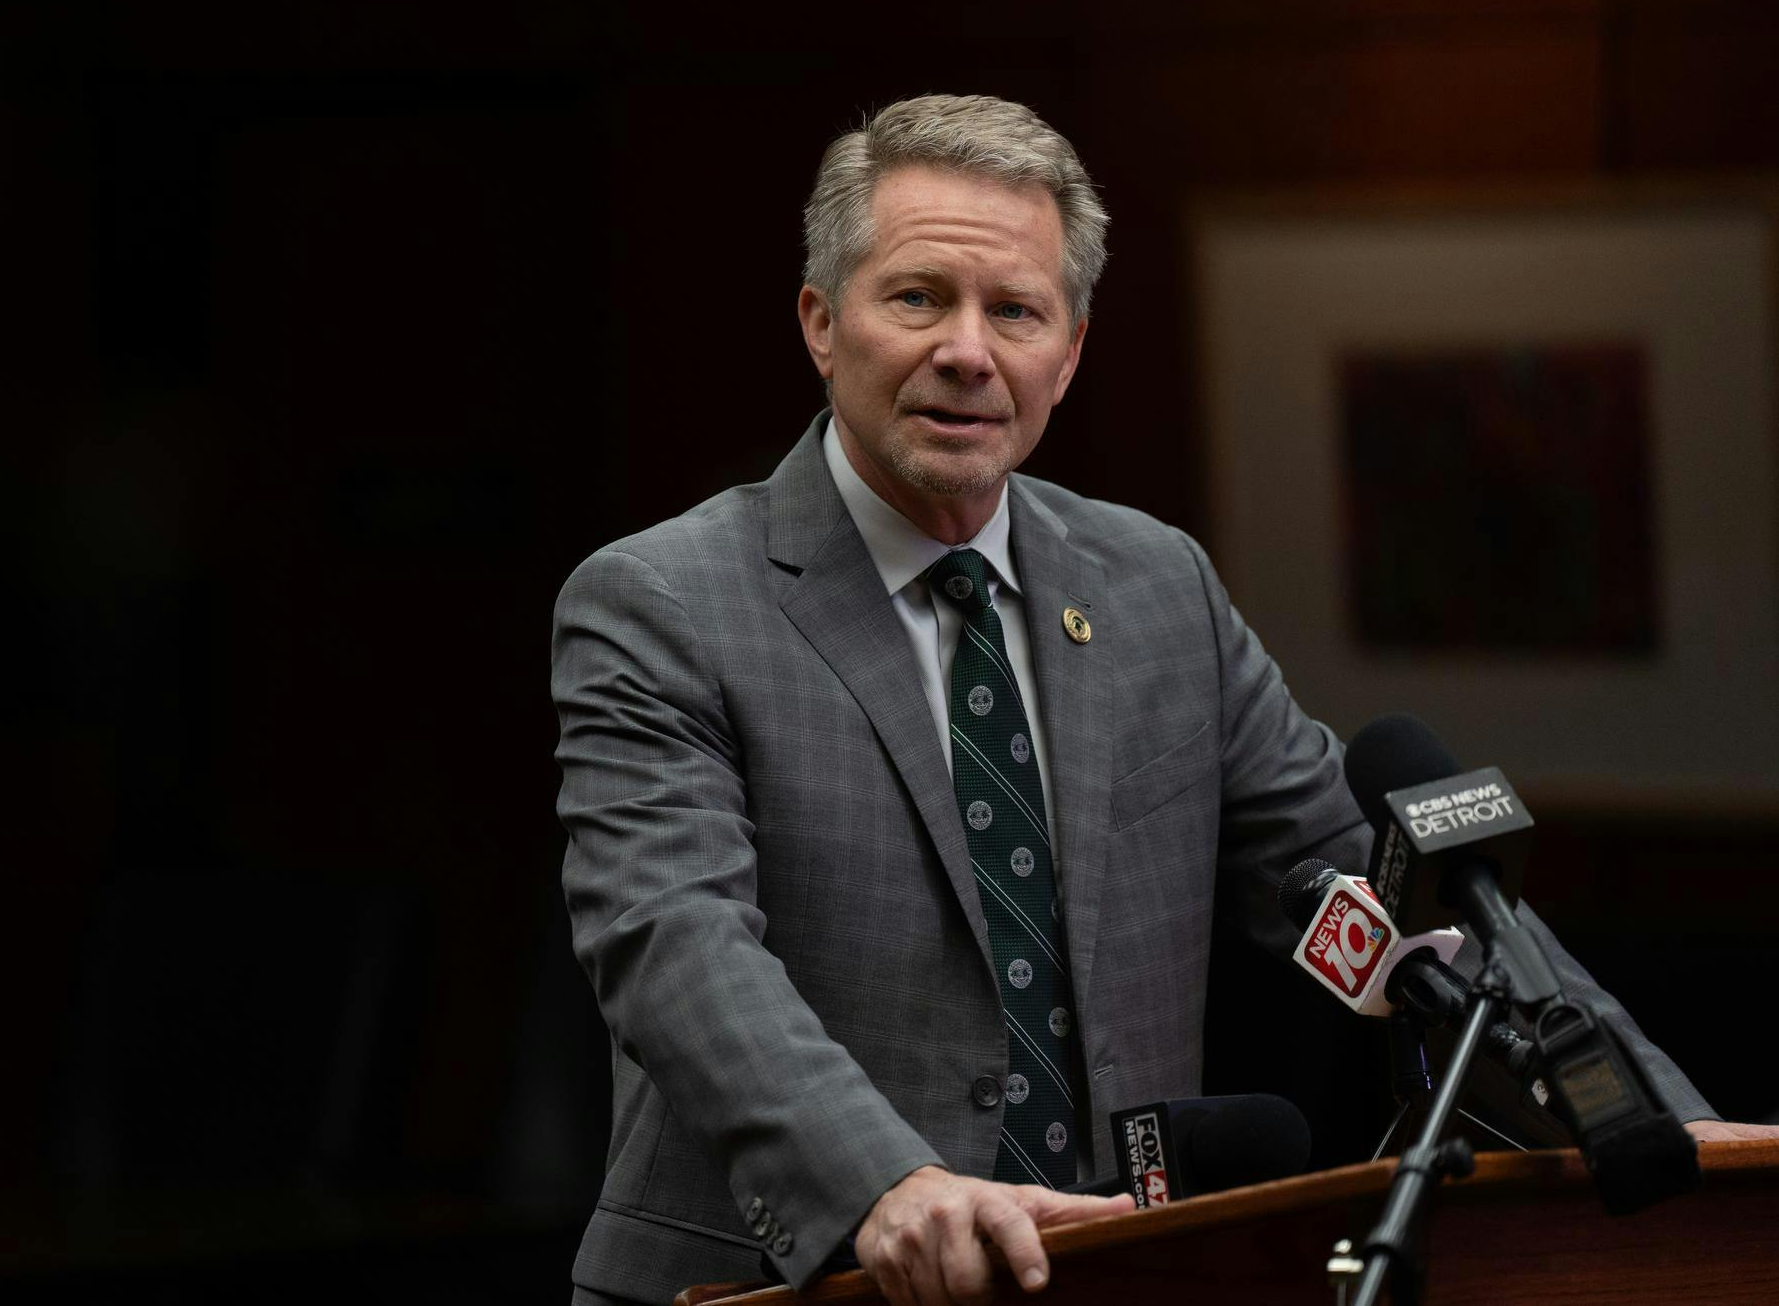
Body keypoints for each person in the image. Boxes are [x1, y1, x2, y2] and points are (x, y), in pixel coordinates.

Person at [551, 95, 1773, 1306]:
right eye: (917, 297)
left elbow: (1399, 901)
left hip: (1111, 1272)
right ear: (821, 323)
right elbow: (674, 942)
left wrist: (1662, 1130)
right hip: (776, 1285)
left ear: (1069, 351)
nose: (967, 351)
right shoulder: (663, 601)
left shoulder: (1153, 590)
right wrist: (883, 1183)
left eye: (1014, 310)